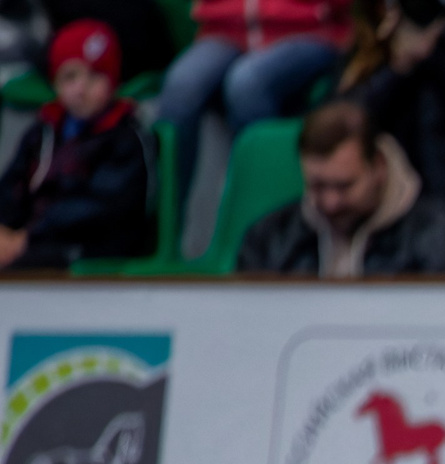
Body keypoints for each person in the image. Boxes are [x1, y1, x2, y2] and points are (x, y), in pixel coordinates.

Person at [337, 0, 445, 268]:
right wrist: (399, 69)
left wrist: (432, 57)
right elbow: (339, 127)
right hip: (378, 211)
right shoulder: (374, 51)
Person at [235, 97, 445, 273]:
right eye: (317, 186)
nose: (331, 202)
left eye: (344, 186)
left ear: (379, 167)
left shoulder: (434, 236)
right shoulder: (268, 239)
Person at [157, 0, 348, 208]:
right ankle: (167, 216)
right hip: (226, 27)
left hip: (307, 30)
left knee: (247, 83)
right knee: (180, 87)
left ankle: (252, 205)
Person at [0, 21, 153, 270]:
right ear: (56, 84)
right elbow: (11, 187)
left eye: (94, 75)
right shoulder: (44, 131)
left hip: (96, 247)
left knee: (24, 266)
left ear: (113, 80)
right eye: (69, 77)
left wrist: (28, 237)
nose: (81, 89)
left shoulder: (125, 136)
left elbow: (103, 207)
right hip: (36, 238)